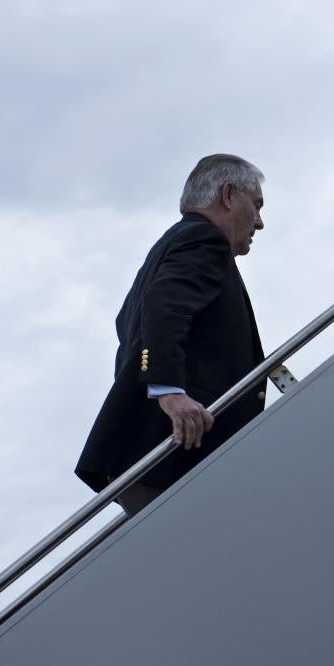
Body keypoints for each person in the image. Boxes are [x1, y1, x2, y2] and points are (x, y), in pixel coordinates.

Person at [75, 154, 267, 516]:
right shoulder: (203, 239)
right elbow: (163, 309)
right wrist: (168, 391)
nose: (259, 222)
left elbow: (132, 325)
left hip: (155, 454)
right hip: (180, 453)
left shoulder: (169, 248)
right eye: (255, 205)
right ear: (228, 195)